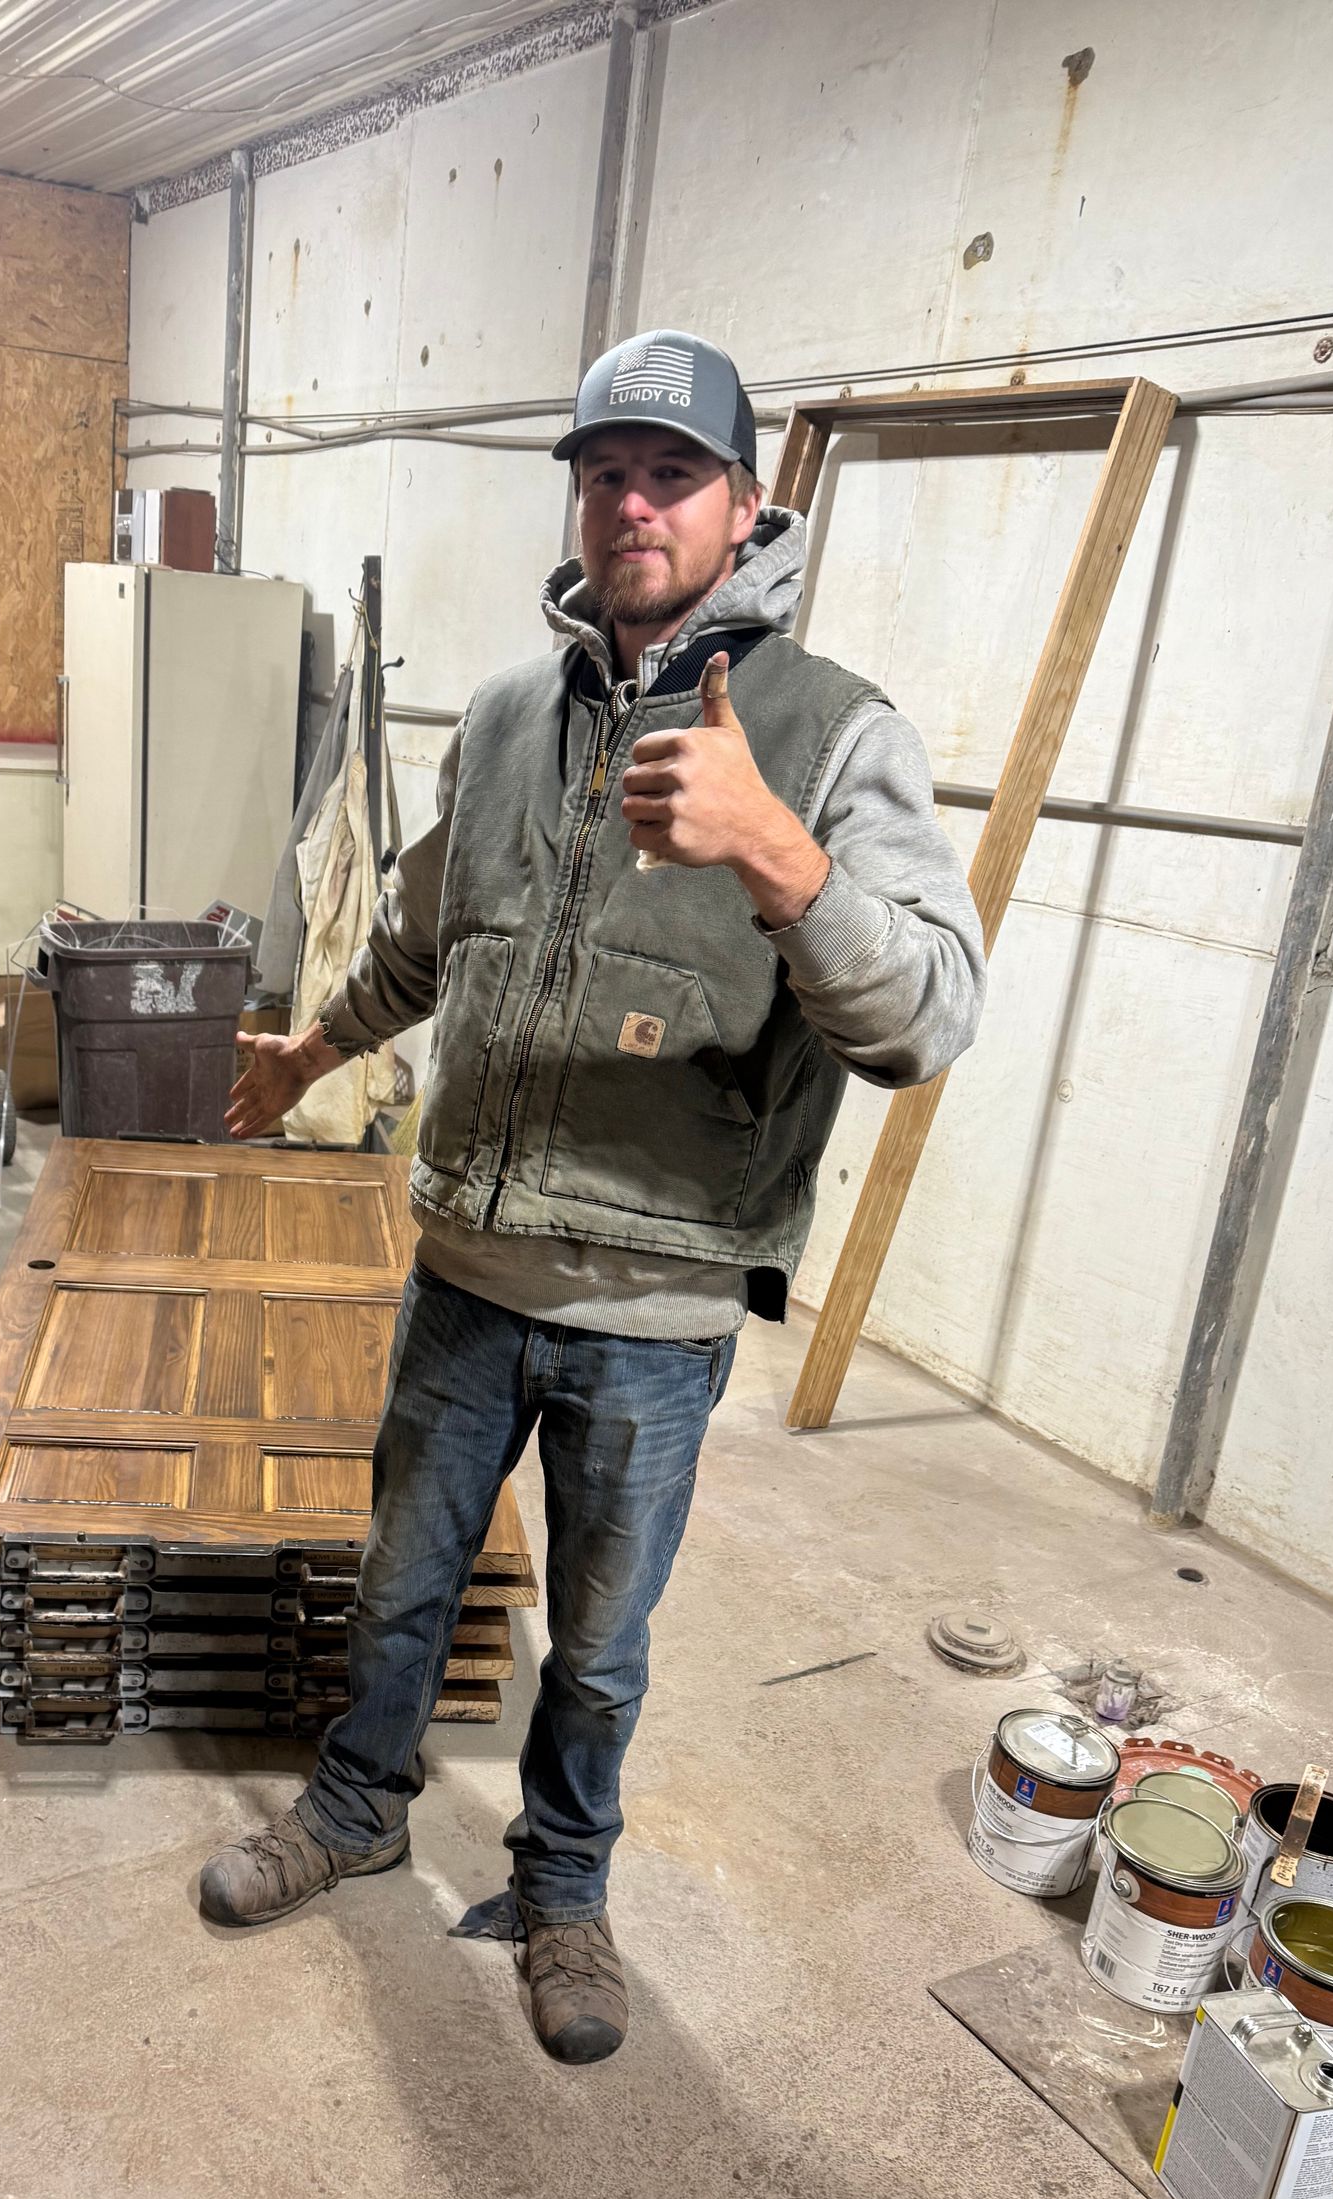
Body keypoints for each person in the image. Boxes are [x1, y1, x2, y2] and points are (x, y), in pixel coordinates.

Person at [198, 328, 986, 2064]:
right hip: (465, 1276)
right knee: (401, 1584)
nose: (633, 504)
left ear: (745, 504)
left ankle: (566, 1892)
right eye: (606, 472)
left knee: (600, 1649)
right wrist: (308, 1054)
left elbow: (928, 1018)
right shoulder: (502, 720)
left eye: (673, 474)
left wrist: (781, 856)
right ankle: (355, 1813)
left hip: (654, 1314)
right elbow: (422, 942)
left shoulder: (832, 735)